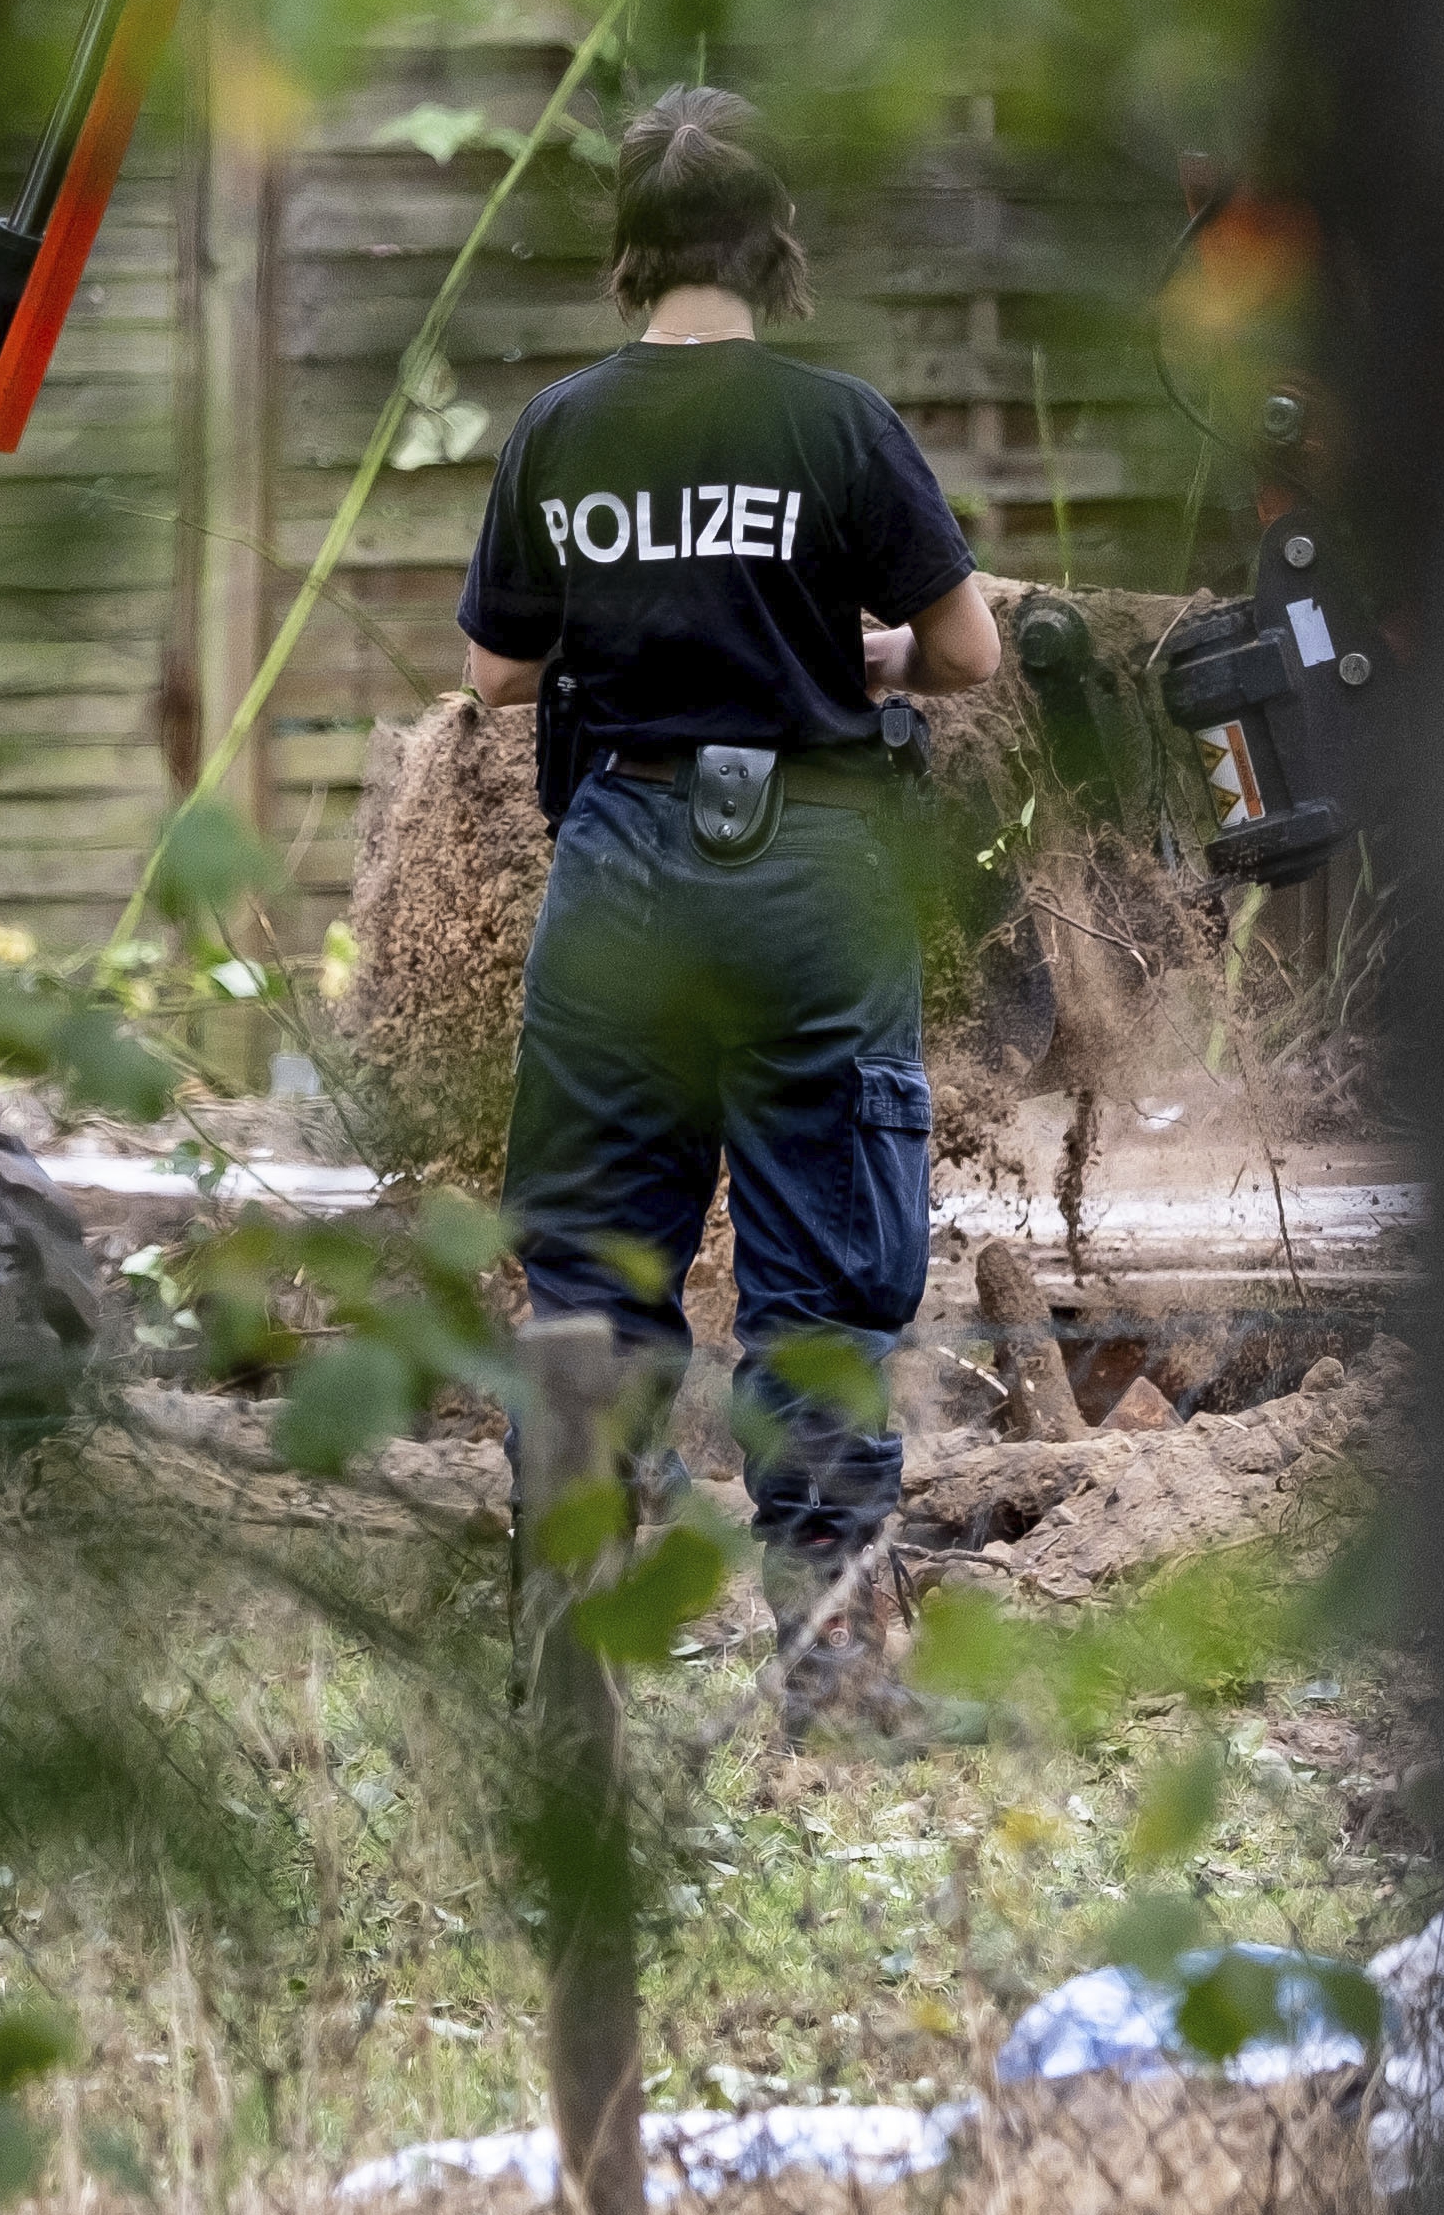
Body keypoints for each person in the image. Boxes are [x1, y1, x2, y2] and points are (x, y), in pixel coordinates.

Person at [457, 85, 999, 1727]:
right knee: (818, 1281)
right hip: (810, 876)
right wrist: (877, 650)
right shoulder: (837, 425)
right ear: (776, 244)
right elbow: (965, 651)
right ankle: (831, 1671)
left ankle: (570, 1654)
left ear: (626, 255)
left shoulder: (561, 428)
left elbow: (492, 675)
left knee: (592, 1271)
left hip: (618, 868)